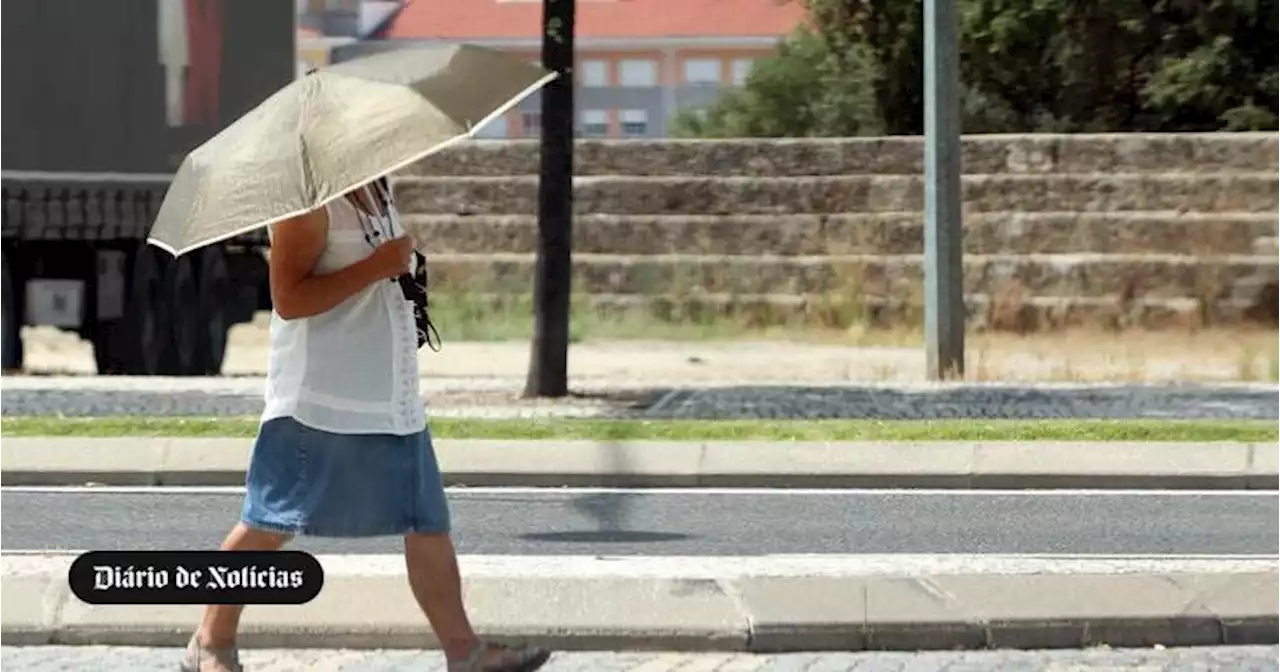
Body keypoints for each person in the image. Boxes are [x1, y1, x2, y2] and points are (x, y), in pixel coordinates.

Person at [180, 178, 553, 672]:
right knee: (268, 522)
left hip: (388, 394)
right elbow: (289, 299)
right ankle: (211, 640)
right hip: (321, 398)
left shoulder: (377, 189)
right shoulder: (308, 203)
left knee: (426, 521)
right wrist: (378, 266)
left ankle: (466, 652)